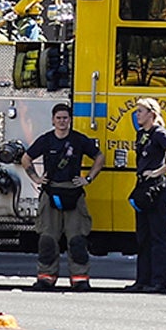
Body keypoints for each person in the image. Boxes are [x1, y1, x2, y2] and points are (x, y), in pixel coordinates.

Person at [22, 102, 100, 291]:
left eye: (65, 118)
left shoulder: (80, 140)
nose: (62, 121)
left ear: (70, 120)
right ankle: (46, 277)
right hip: (51, 192)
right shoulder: (46, 140)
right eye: (58, 118)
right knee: (47, 239)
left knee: (77, 240)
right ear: (53, 120)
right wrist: (36, 178)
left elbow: (99, 157)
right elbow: (26, 158)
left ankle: (80, 278)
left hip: (74, 192)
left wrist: (88, 178)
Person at [129, 97, 166, 293]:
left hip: (156, 188)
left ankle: (160, 280)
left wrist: (158, 171)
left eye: (140, 112)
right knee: (142, 236)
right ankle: (142, 280)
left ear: (151, 114)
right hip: (143, 187)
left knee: (158, 235)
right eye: (137, 112)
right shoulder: (141, 134)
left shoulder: (160, 133)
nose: (137, 115)